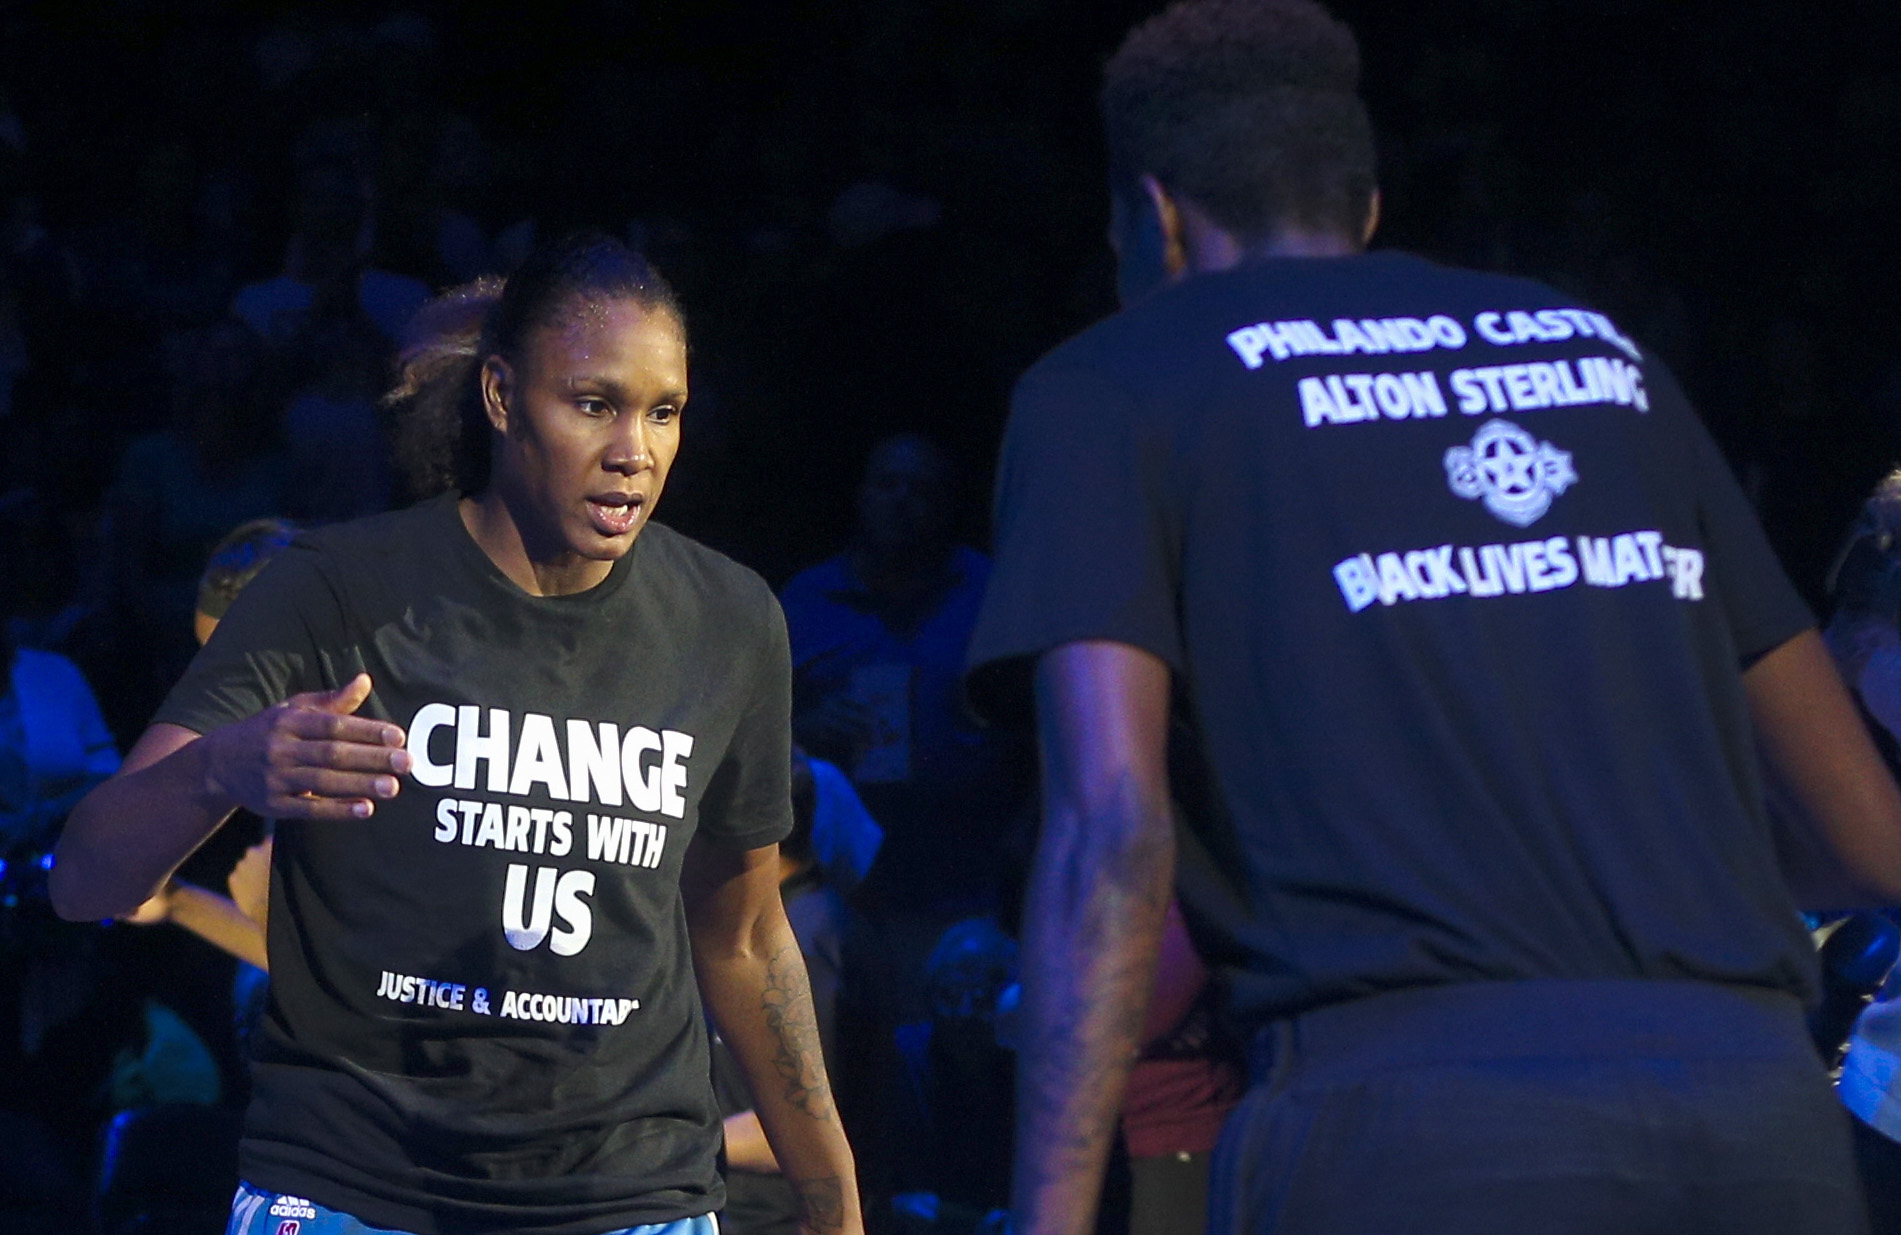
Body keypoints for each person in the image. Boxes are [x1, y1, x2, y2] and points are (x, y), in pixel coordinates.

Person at [962, 3, 1901, 1233]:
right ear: (1362, 208)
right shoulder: (1599, 359)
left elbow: (1112, 832)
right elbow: (1867, 847)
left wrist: (1048, 1218)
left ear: (1159, 220)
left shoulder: (1109, 383)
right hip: (1749, 1111)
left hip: (1409, 1127)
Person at [53, 232, 862, 1235]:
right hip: (358, 1191)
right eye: (594, 403)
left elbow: (740, 934)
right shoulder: (335, 591)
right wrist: (225, 761)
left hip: (630, 1198)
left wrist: (833, 1203)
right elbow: (83, 875)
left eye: (663, 411)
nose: (635, 451)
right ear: (499, 396)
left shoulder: (728, 619)